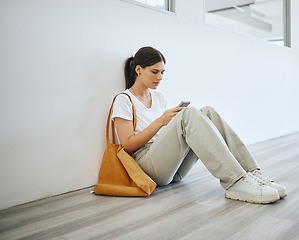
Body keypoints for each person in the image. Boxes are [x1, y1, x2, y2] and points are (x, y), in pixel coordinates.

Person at [112, 46, 287, 204]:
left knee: (207, 111)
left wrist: (171, 122)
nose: (159, 77)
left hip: (172, 168)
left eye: (163, 73)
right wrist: (160, 122)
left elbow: (165, 135)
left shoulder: (159, 97)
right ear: (138, 70)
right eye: (154, 72)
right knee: (190, 113)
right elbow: (127, 145)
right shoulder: (124, 100)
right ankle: (236, 181)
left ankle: (252, 173)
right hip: (148, 168)